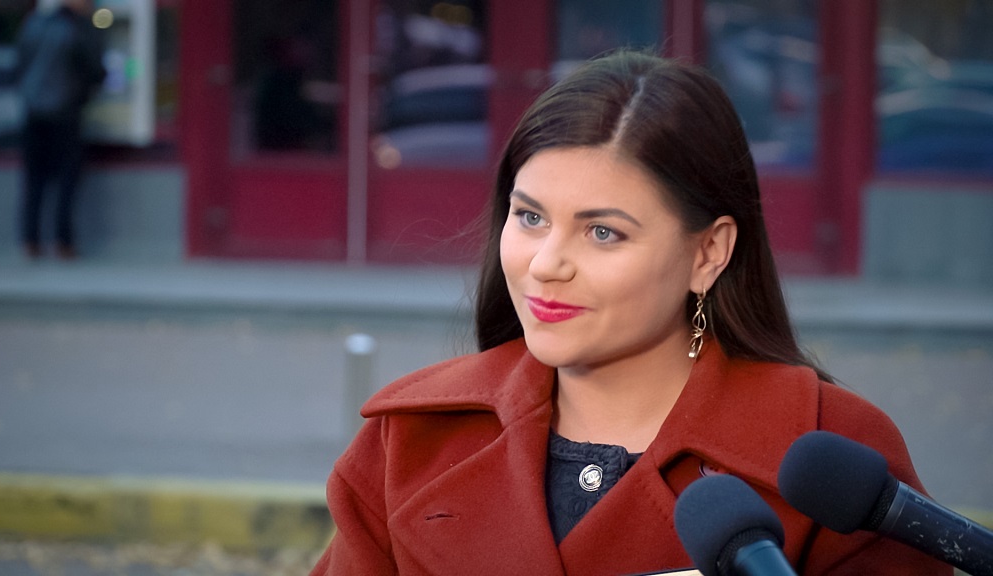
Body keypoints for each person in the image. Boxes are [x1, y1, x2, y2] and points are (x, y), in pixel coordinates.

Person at [310, 50, 949, 575]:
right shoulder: (410, 442)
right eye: (529, 217)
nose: (546, 264)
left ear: (709, 252)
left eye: (603, 232)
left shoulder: (834, 464)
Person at [14, 0, 105, 259]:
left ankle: (30, 239)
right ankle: (63, 242)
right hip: (66, 113)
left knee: (34, 180)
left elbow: (19, 66)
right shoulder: (77, 30)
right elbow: (95, 70)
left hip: (33, 112)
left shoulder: (33, 25)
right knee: (67, 180)